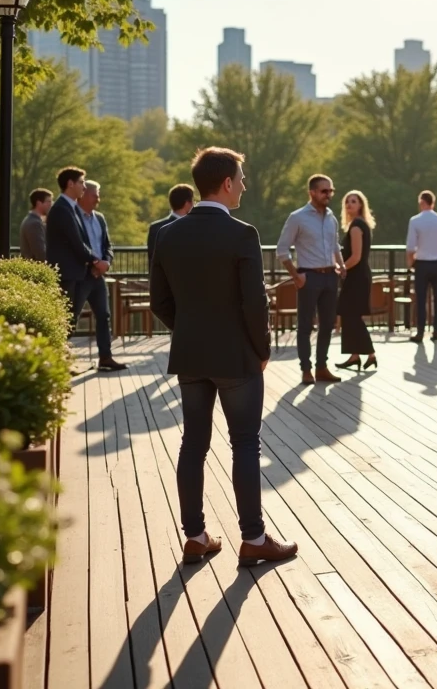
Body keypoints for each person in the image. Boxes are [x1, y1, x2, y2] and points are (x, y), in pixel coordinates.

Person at [150, 146, 298, 567]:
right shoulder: (242, 234)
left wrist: (190, 328)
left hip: (191, 354)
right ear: (228, 183)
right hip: (237, 357)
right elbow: (255, 303)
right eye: (242, 179)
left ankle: (195, 536)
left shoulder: (167, 234)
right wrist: (263, 349)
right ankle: (253, 537)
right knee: (245, 444)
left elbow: (159, 300)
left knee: (192, 444)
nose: (245, 186)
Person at [276, 174, 346, 385]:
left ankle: (322, 367)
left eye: (331, 191)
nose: (329, 195)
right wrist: (296, 276)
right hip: (309, 277)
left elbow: (335, 246)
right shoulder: (298, 217)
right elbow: (282, 250)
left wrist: (341, 266)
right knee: (305, 325)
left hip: (329, 277)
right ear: (312, 192)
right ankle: (306, 370)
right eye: (324, 191)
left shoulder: (331, 218)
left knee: (327, 324)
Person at [46, 166, 104, 337]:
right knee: (66, 320)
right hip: (67, 274)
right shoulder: (62, 209)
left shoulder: (69, 207)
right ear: (70, 184)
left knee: (69, 319)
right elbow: (76, 243)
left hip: (73, 273)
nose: (84, 187)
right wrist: (96, 261)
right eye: (81, 183)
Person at [77, 181, 127, 372]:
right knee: (72, 316)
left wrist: (105, 262)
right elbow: (76, 245)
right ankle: (60, 358)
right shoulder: (74, 218)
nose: (99, 198)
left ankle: (105, 357)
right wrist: (93, 264)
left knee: (104, 316)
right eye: (95, 194)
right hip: (83, 274)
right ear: (83, 195)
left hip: (98, 276)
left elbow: (107, 245)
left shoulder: (99, 218)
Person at [405, 190, 437, 343]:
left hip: (422, 264)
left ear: (421, 202)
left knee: (420, 299)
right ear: (433, 202)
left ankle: (420, 332)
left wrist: (410, 263)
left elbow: (410, 247)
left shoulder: (415, 221)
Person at [336, 190, 377, 370]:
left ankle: (370, 353)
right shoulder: (360, 225)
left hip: (357, 277)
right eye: (347, 202)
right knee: (350, 315)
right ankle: (355, 356)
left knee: (350, 315)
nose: (349, 205)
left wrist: (340, 268)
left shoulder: (356, 227)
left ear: (361, 205)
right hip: (359, 276)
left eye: (353, 201)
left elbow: (357, 256)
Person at [147, 183, 195, 272]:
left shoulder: (155, 228)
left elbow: (152, 263)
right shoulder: (194, 227)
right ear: (187, 203)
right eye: (193, 201)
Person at [20, 188, 52, 262]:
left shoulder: (32, 220)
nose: (51, 204)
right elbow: (41, 253)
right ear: (38, 203)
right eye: (48, 201)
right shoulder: (34, 223)